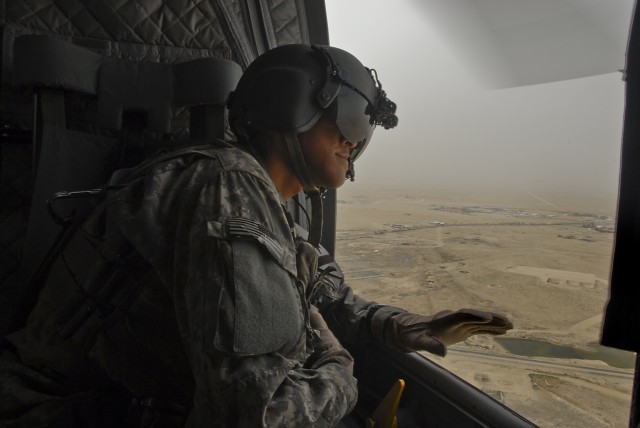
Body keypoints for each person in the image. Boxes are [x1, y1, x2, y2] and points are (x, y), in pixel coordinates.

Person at [0, 44, 512, 427]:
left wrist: (408, 326)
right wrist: (339, 370)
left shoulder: (279, 211)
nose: (355, 141)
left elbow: (331, 299)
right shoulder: (226, 186)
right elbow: (258, 417)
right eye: (351, 117)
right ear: (292, 103)